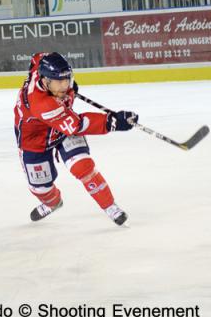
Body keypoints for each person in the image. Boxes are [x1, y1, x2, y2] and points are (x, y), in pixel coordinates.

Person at [14, 52, 138, 225]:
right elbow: (77, 125)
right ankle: (52, 203)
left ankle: (110, 206)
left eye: (67, 80)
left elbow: (38, 56)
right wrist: (112, 122)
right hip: (35, 141)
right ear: (45, 80)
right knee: (41, 188)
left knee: (84, 168)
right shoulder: (42, 104)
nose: (65, 86)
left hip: (61, 130)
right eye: (60, 82)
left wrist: (69, 88)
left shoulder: (41, 67)